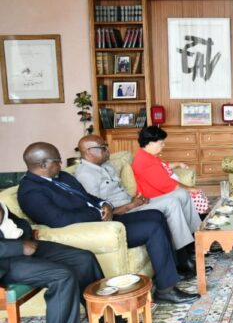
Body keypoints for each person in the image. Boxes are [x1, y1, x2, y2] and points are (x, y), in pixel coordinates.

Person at [17, 142, 200, 305]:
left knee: (156, 215)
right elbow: (60, 220)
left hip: (105, 218)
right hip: (93, 229)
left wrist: (105, 204)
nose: (60, 164)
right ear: (43, 165)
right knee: (152, 227)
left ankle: (171, 271)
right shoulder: (31, 192)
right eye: (57, 161)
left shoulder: (63, 177)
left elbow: (89, 197)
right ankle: (166, 290)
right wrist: (98, 213)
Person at [0, 202, 101, 323]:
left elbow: (16, 222)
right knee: (62, 276)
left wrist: (24, 239)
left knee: (84, 259)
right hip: (5, 262)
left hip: (20, 246)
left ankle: (104, 322)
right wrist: (18, 247)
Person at [75, 134, 202, 274]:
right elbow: (99, 211)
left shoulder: (106, 165)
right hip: (124, 212)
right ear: (88, 152)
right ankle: (182, 259)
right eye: (103, 148)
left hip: (132, 203)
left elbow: (120, 191)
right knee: (172, 203)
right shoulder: (85, 175)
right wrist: (131, 205)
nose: (107, 150)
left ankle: (194, 242)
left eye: (107, 146)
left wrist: (135, 198)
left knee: (182, 194)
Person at [131, 126, 209, 215]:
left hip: (160, 193)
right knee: (190, 194)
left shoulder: (146, 156)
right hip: (155, 197)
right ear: (151, 143)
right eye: (161, 143)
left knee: (190, 193)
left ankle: (200, 219)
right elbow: (167, 185)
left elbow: (163, 166)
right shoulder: (145, 162)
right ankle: (203, 217)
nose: (163, 145)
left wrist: (178, 164)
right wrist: (189, 188)